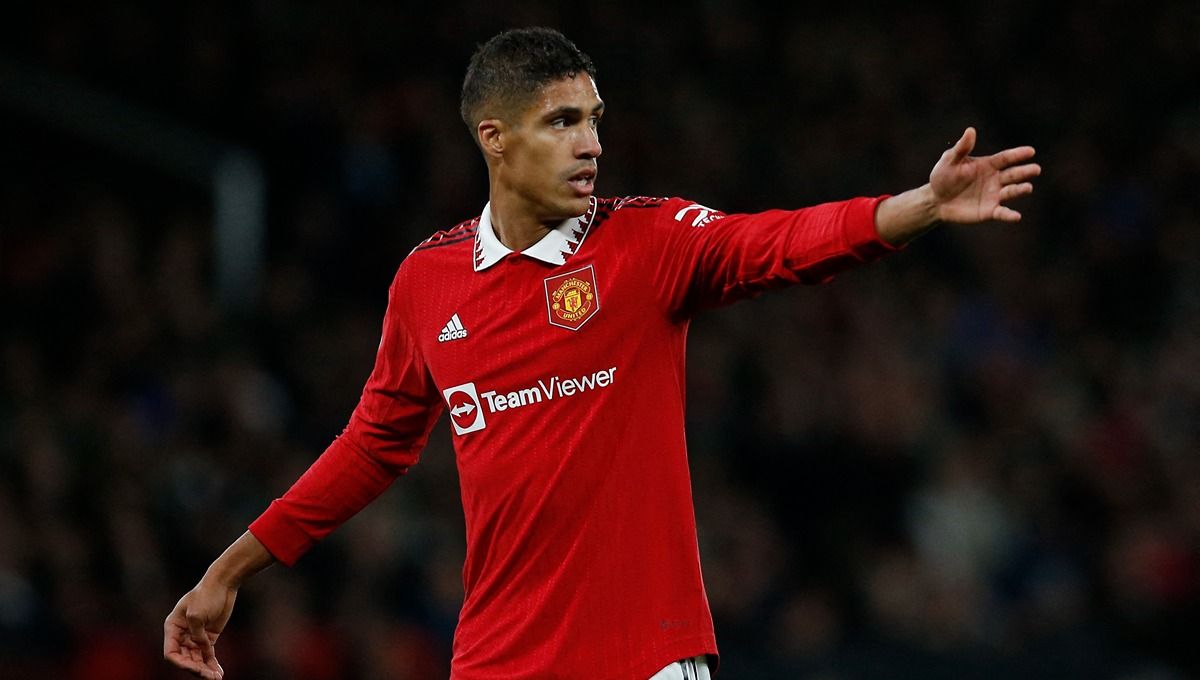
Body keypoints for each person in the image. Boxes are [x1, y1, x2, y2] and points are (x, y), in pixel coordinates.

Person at [164, 26, 1039, 680]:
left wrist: (914, 207)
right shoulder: (426, 284)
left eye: (594, 119)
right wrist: (230, 570)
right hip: (497, 662)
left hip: (645, 659)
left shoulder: (645, 246)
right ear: (494, 139)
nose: (591, 143)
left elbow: (779, 244)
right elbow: (371, 447)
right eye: (561, 121)